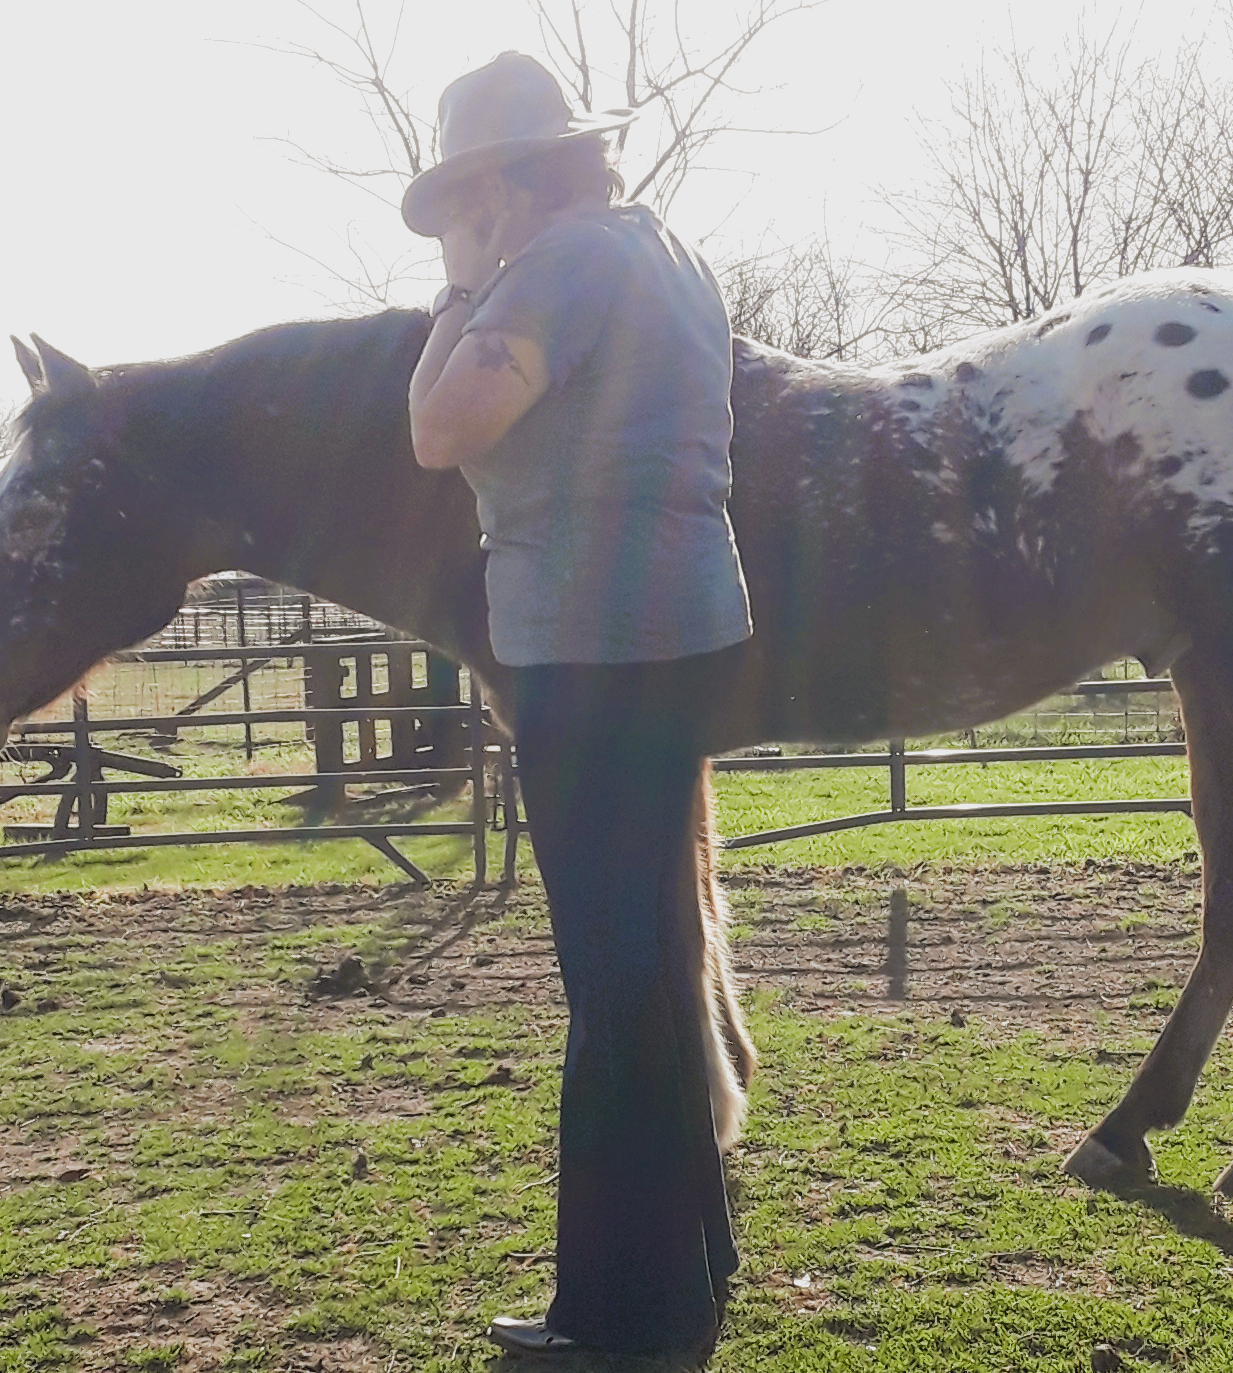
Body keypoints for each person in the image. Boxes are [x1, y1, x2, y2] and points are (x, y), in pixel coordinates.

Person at [402, 52, 753, 1367]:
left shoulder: (552, 270)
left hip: (585, 657)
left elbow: (441, 428)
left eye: (460, 198)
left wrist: (460, 287)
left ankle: (616, 1316)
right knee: (653, 961)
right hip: (682, 636)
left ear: (499, 182)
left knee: (611, 989)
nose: (454, 222)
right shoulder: (666, 253)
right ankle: (695, 1265)